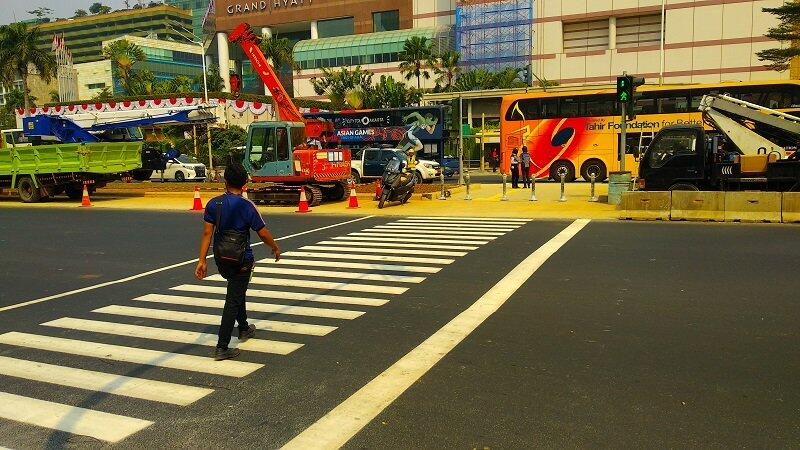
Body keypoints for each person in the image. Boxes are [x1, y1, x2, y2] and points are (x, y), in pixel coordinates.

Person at [195, 160, 281, 361]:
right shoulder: (246, 205)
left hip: (221, 258)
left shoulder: (213, 204)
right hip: (241, 259)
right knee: (233, 299)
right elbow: (262, 233)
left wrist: (201, 261)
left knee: (237, 289)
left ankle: (243, 328)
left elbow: (208, 233)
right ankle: (222, 346)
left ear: (225, 182)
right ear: (244, 183)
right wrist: (275, 247)